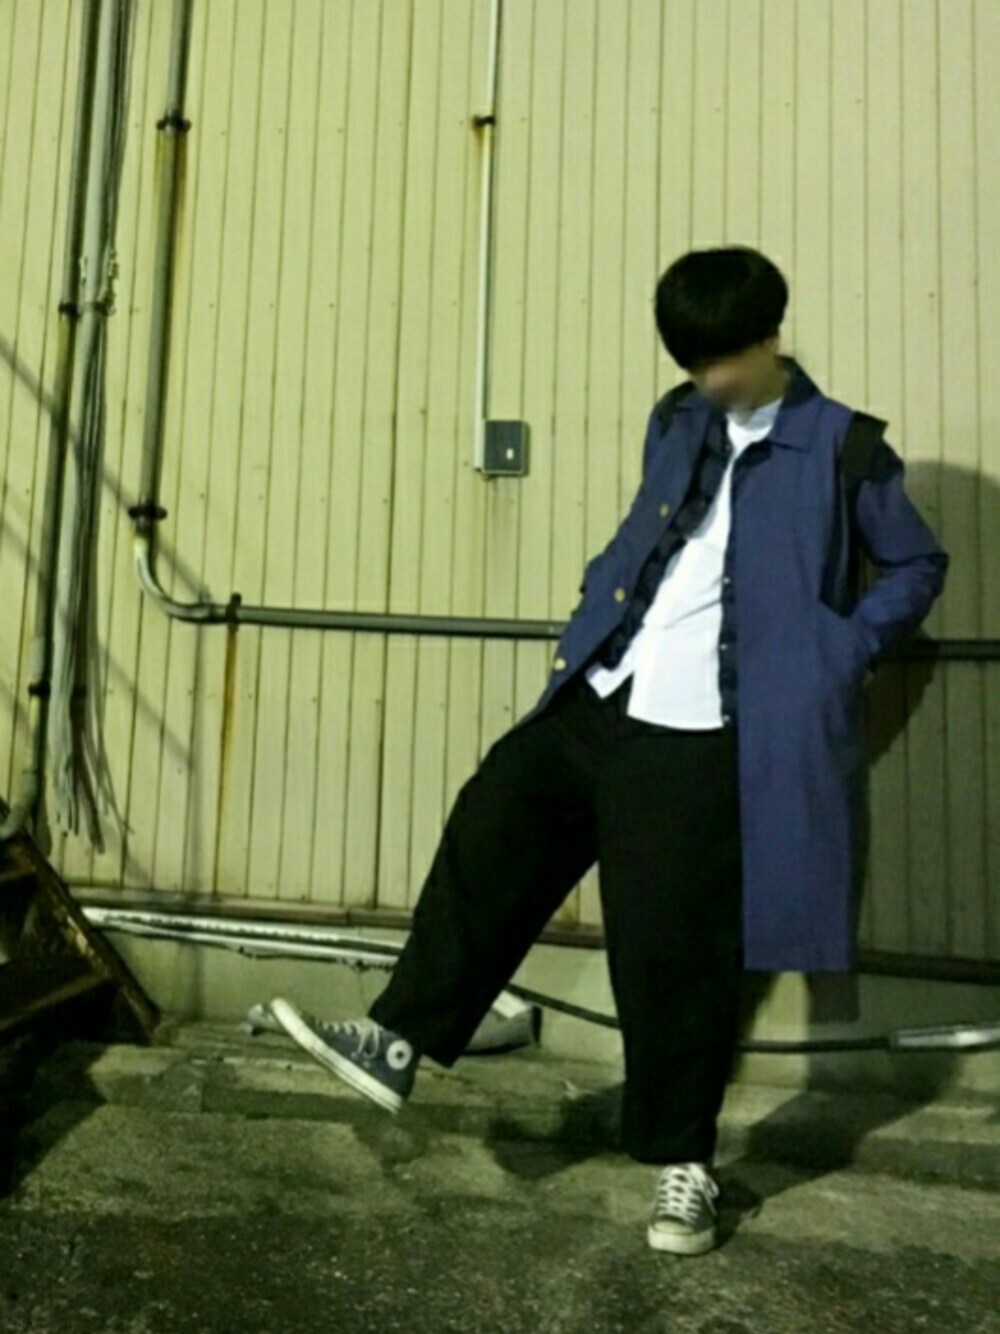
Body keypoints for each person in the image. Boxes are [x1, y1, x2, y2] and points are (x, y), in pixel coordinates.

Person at [269, 245, 949, 1257]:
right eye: (691, 362)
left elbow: (917, 563)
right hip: (602, 688)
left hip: (702, 730)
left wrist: (838, 651)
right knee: (492, 822)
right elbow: (653, 531)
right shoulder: (677, 419)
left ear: (769, 336)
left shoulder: (842, 446)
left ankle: (685, 1165)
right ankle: (399, 1036)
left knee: (669, 952)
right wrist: (597, 592)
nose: (707, 379)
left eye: (720, 359)